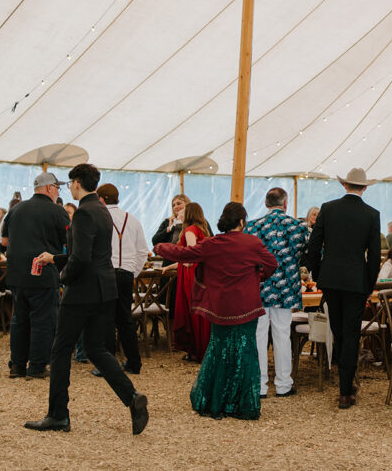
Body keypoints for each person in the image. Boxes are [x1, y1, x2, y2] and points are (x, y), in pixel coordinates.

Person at [24, 163, 148, 435]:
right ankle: (132, 397)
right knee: (96, 349)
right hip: (105, 289)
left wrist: (61, 278)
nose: (69, 188)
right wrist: (55, 258)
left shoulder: (82, 214)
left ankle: (58, 414)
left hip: (81, 292)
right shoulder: (102, 211)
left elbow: (80, 259)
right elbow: (89, 254)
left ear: (77, 183)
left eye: (70, 184)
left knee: (60, 350)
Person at [157, 202, 278, 419]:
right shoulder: (253, 243)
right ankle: (244, 404)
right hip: (247, 306)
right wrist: (258, 278)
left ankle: (214, 401)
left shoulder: (211, 244)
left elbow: (183, 254)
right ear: (242, 221)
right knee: (246, 352)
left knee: (218, 351)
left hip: (220, 307)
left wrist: (159, 246)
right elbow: (272, 264)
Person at [302, 167, 381, 409]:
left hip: (331, 280)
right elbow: (374, 255)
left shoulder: (328, 208)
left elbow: (315, 244)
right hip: (356, 281)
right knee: (351, 334)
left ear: (344, 185)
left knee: (338, 331)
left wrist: (311, 272)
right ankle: (345, 390)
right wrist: (368, 284)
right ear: (364, 187)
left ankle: (345, 382)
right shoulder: (371, 214)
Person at [3, 172, 70, 379]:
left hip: (16, 274)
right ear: (49, 188)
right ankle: (37, 366)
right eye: (58, 187)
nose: (59, 191)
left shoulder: (15, 210)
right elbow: (68, 242)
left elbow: (4, 241)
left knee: (19, 319)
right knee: (43, 320)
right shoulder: (57, 212)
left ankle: (17, 365)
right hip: (42, 272)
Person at [244, 187, 309, 398]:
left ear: (266, 203)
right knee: (282, 335)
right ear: (285, 203)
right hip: (286, 288)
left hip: (259, 287)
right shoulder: (298, 227)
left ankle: (260, 385)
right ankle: (283, 385)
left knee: (259, 335)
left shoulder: (252, 226)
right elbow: (308, 253)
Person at [94, 183, 147, 376]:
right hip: (126, 274)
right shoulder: (133, 220)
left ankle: (108, 366)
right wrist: (133, 272)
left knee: (106, 319)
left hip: (107, 273)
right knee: (125, 320)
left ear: (101, 199)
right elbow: (143, 252)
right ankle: (134, 362)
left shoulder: (98, 218)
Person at [171, 201, 213, 362]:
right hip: (199, 274)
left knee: (191, 311)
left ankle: (196, 350)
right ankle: (200, 348)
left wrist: (180, 259)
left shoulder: (189, 230)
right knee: (199, 312)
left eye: (183, 210)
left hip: (190, 275)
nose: (179, 212)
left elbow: (191, 255)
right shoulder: (202, 230)